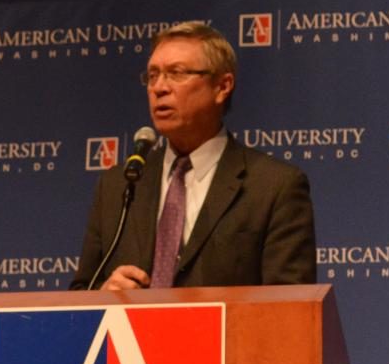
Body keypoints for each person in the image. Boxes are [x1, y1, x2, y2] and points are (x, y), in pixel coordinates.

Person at [70, 21, 316, 291]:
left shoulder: (273, 186)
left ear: (222, 86)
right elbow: (81, 293)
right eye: (152, 76)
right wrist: (103, 296)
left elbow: (290, 309)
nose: (159, 88)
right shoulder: (118, 185)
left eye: (176, 73)